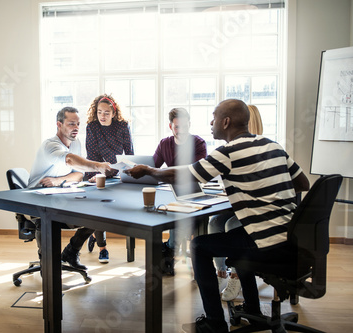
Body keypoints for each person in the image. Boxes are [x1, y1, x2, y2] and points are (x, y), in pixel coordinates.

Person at [125, 99, 310, 333]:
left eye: (213, 117)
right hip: (290, 238)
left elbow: (186, 176)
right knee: (238, 235)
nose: (210, 122)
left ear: (226, 121)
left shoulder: (228, 152)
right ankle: (252, 309)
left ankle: (214, 323)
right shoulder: (272, 145)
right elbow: (303, 183)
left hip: (266, 244)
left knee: (200, 246)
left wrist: (149, 170)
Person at [28, 106, 114, 270]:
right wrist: (97, 165)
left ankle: (71, 251)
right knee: (44, 217)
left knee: (97, 212)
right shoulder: (50, 145)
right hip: (36, 199)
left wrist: (57, 180)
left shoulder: (75, 143)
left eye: (78, 124)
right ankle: (47, 262)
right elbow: (69, 160)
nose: (76, 128)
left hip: (60, 196)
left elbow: (78, 175)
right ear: (59, 125)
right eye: (71, 124)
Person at [208, 104, 264, 301]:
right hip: (238, 205)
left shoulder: (262, 149)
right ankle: (220, 272)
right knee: (215, 221)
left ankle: (235, 274)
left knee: (232, 224)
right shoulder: (228, 151)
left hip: (258, 213)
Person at [153, 108, 206, 275]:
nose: (180, 131)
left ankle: (169, 250)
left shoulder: (198, 143)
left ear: (189, 124)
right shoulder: (164, 144)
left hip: (192, 194)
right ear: (170, 126)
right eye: (177, 127)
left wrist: (167, 174)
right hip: (171, 191)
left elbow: (195, 172)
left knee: (180, 212)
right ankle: (166, 250)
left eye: (184, 126)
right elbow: (153, 167)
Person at [84, 94, 134, 263]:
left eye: (106, 112)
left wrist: (128, 173)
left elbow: (130, 154)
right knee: (98, 210)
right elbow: (91, 156)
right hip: (96, 173)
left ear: (113, 113)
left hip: (118, 173)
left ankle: (94, 233)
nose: (102, 116)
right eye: (99, 112)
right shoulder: (92, 127)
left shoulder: (123, 126)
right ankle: (102, 248)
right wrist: (96, 174)